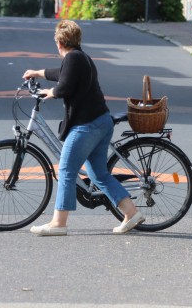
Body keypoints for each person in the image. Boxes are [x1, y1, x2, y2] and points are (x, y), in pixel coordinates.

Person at [22, 20, 144, 236]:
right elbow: (61, 74)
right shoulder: (80, 57)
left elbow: (65, 86)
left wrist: (51, 93)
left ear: (60, 42)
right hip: (100, 122)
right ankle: (131, 213)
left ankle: (59, 223)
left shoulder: (73, 58)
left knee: (66, 170)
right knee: (99, 174)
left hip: (87, 126)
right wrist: (37, 72)